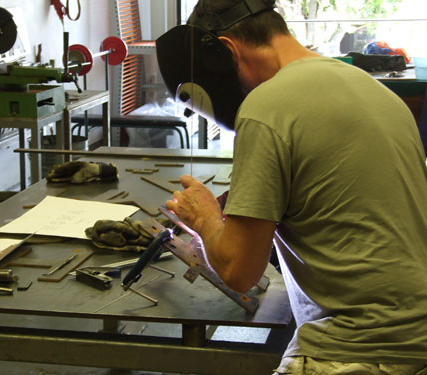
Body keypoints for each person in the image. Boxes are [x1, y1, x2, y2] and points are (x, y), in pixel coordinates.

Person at [165, 1, 427, 374]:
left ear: (227, 51)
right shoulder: (377, 91)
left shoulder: (267, 107)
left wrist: (204, 217)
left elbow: (240, 271)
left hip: (354, 349)